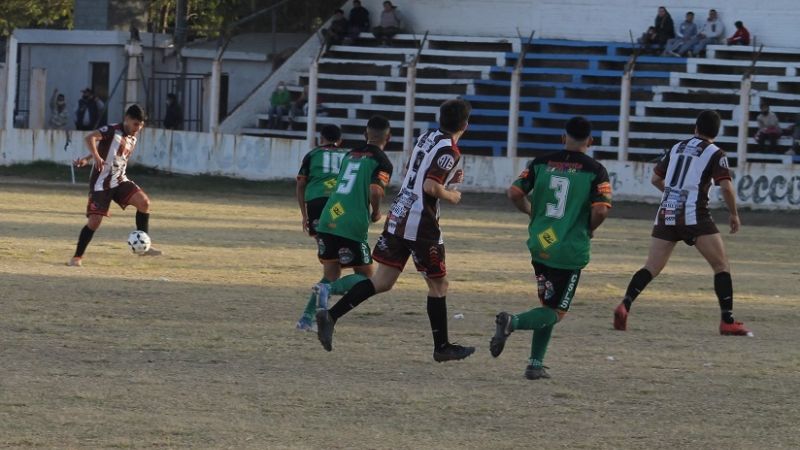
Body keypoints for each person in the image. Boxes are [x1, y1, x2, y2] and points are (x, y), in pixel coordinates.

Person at [315, 99, 475, 363]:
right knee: (439, 284)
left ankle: (331, 316)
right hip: (420, 223)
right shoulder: (450, 150)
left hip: (399, 212)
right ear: (465, 125)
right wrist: (450, 195)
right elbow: (431, 187)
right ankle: (442, 347)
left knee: (382, 281)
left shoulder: (426, 137)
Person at [489, 117, 612, 380]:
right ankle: (514, 321)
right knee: (556, 311)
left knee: (546, 303)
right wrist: (590, 228)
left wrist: (532, 213)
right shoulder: (595, 170)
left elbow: (513, 193)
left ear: (562, 137)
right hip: (568, 248)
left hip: (542, 241)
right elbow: (601, 209)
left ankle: (535, 364)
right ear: (590, 142)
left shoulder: (541, 162)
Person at [613, 110, 750, 336]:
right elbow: (726, 186)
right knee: (721, 266)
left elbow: (656, 179)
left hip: (666, 211)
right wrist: (734, 214)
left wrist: (671, 193)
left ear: (695, 128)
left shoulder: (676, 148)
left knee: (651, 267)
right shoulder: (716, 153)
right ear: (717, 132)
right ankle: (727, 321)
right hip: (694, 214)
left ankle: (625, 305)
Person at [310, 116, 394, 336]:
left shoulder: (349, 154)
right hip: (352, 222)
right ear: (389, 137)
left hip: (332, 214)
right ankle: (328, 290)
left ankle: (308, 318)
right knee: (370, 278)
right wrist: (376, 211)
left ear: (365, 134)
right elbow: (375, 190)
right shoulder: (382, 162)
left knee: (332, 270)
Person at [68, 104, 162, 267]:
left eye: (140, 125)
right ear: (127, 119)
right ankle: (76, 258)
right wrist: (95, 158)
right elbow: (90, 138)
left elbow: (110, 150)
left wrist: (88, 158)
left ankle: (143, 247)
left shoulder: (133, 138)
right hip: (101, 184)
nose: (137, 129)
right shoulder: (112, 129)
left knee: (144, 203)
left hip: (119, 180)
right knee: (95, 221)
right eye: (135, 124)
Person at [294, 124, 352, 331]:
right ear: (341, 140)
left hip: (318, 208)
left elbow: (300, 185)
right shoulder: (349, 155)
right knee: (359, 270)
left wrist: (305, 215)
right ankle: (324, 295)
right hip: (338, 206)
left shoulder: (312, 155)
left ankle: (306, 318)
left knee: (333, 268)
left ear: (321, 138)